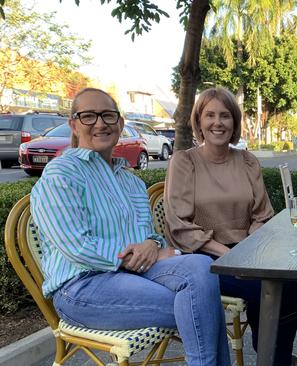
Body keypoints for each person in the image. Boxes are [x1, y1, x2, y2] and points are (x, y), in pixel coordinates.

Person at [30, 88, 230, 366]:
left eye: (108, 116)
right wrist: (134, 256)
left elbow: (148, 236)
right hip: (81, 287)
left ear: (120, 124)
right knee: (202, 303)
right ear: (73, 124)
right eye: (88, 116)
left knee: (202, 269)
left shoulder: (131, 181)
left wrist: (152, 245)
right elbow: (78, 247)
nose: (100, 123)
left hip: (135, 275)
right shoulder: (61, 175)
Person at [164, 87, 297, 366]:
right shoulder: (184, 162)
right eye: (210, 115)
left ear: (235, 122)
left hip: (247, 251)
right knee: (268, 287)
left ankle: (272, 354)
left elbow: (262, 215)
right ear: (199, 122)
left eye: (225, 116)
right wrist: (229, 255)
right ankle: (273, 356)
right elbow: (179, 225)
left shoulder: (247, 161)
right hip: (203, 259)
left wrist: (248, 250)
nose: (218, 122)